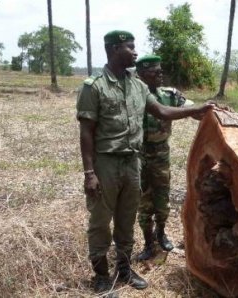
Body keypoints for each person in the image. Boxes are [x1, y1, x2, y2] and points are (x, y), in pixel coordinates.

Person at [76, 30, 214, 295]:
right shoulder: (93, 87)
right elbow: (86, 132)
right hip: (105, 164)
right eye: (130, 47)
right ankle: (102, 276)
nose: (135, 52)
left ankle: (125, 270)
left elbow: (162, 110)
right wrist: (89, 172)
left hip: (132, 163)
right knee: (101, 221)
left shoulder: (137, 85)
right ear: (115, 49)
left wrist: (197, 110)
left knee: (127, 220)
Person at [134, 55, 194, 261]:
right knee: (144, 202)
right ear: (141, 74)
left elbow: (192, 109)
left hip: (161, 155)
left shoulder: (171, 94)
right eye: (154, 71)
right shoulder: (132, 95)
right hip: (138, 156)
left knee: (162, 198)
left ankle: (161, 234)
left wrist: (211, 109)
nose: (160, 74)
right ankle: (148, 243)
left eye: (161, 70)